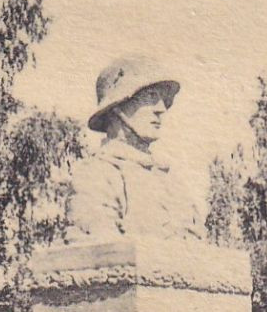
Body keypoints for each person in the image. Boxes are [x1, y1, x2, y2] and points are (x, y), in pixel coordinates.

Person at [64, 57, 206, 242]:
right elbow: (100, 250)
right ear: (117, 106)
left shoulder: (171, 182)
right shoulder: (96, 174)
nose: (161, 109)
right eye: (150, 97)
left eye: (163, 100)